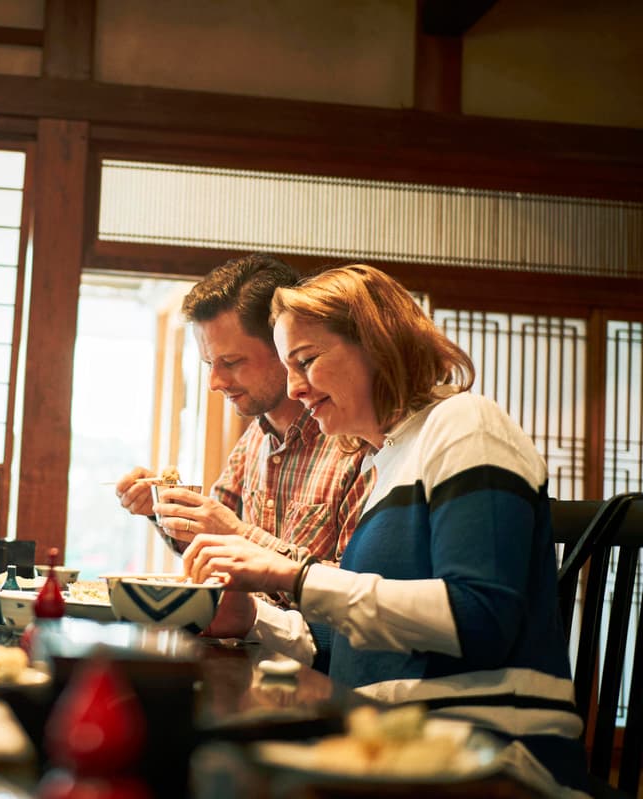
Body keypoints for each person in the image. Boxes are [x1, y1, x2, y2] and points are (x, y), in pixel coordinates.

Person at [184, 264, 588, 796]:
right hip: (396, 744)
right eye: (287, 368)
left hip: (491, 753)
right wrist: (254, 617)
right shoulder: (387, 463)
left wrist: (295, 576)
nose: (296, 389)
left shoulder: (464, 423)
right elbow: (352, 641)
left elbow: (482, 616)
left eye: (306, 361)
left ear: (377, 344)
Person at [115, 255, 370, 572]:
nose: (215, 383)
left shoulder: (355, 442)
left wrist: (237, 534)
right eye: (209, 364)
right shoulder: (255, 438)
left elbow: (354, 587)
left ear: (284, 346)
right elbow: (210, 538)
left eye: (231, 362)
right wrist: (160, 507)